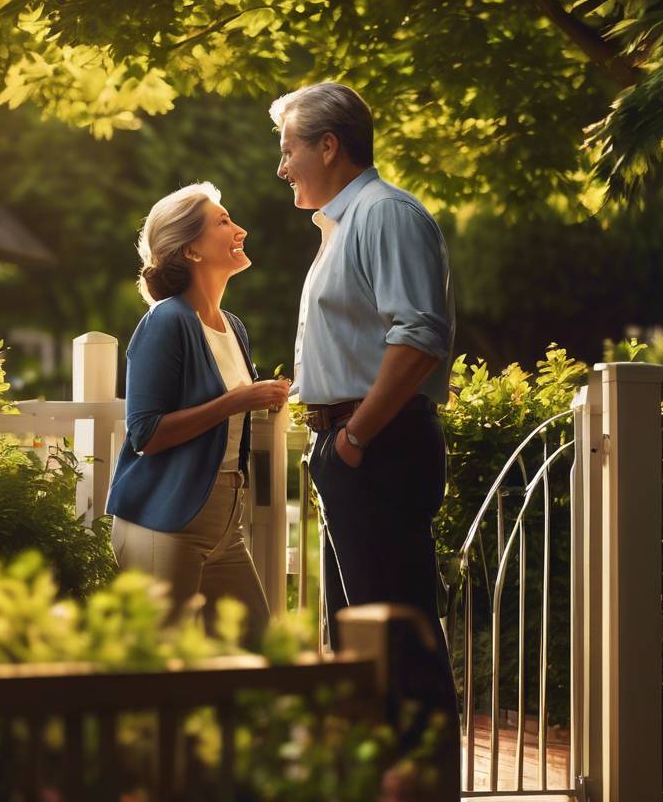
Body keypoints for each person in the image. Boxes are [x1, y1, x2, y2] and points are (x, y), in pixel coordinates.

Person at [271, 82, 460, 795]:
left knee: (398, 640)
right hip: (353, 446)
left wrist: (353, 437)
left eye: (288, 148)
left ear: (328, 145)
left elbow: (420, 339)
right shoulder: (343, 225)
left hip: (376, 446)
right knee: (357, 639)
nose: (282, 166)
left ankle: (428, 790)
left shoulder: (386, 214)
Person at [106, 182, 290, 648]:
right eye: (224, 221)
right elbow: (145, 433)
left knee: (256, 653)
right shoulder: (166, 321)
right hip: (164, 520)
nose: (240, 229)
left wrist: (266, 399)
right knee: (153, 667)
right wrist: (239, 401)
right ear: (190, 248)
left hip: (225, 521)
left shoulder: (235, 328)